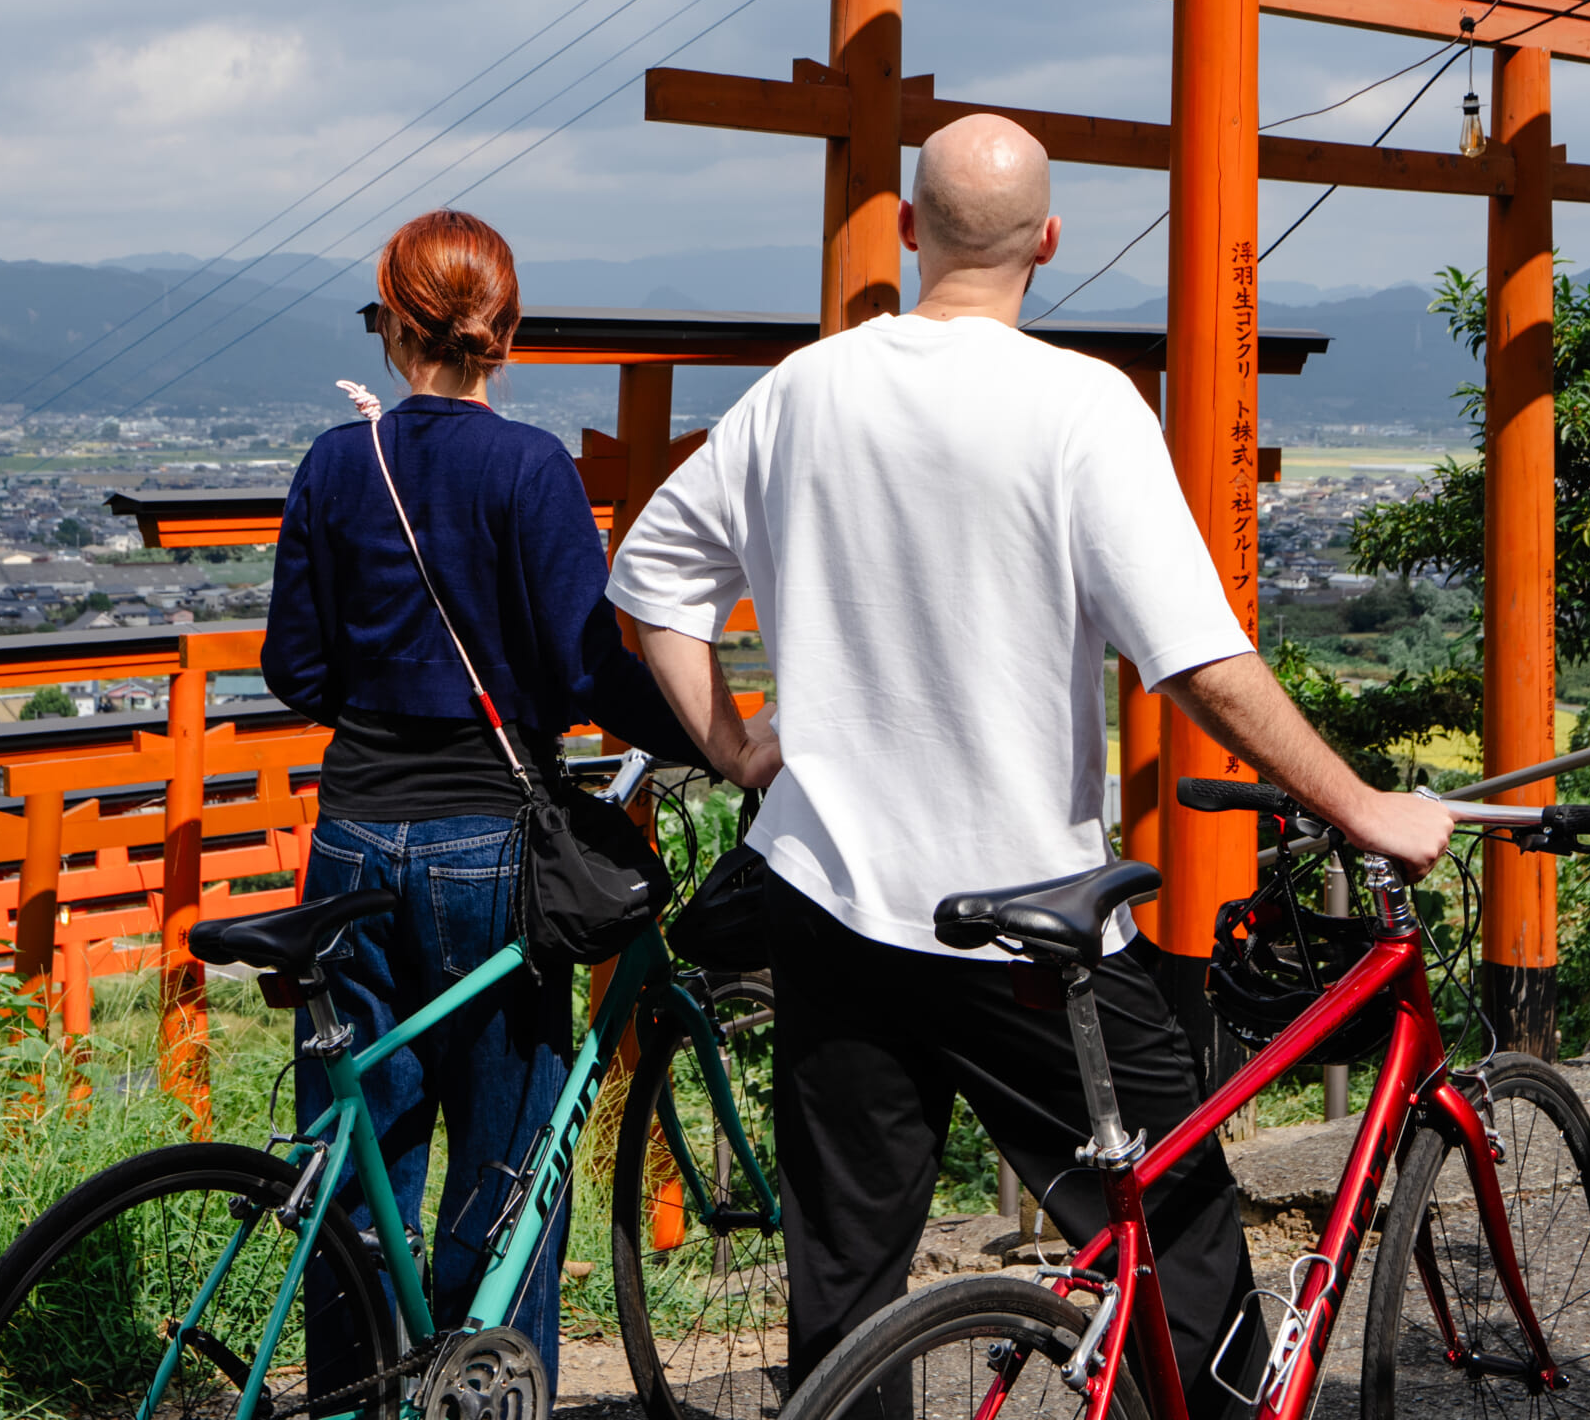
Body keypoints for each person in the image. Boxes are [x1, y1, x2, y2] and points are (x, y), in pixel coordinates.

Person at [605, 114, 1453, 1420]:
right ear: (1048, 242)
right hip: (1028, 932)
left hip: (831, 898)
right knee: (1178, 1241)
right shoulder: (1078, 406)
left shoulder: (800, 392)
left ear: (904, 230)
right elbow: (1196, 664)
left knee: (846, 1289)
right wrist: (1358, 804)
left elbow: (652, 579)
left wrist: (735, 747)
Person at [262, 207, 706, 1395]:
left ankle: (355, 1395)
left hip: (350, 837)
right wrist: (715, 733)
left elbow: (293, 671)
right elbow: (583, 669)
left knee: (357, 1172)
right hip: (489, 849)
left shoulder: (329, 464)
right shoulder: (529, 468)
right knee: (507, 1174)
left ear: (394, 320)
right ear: (503, 332)